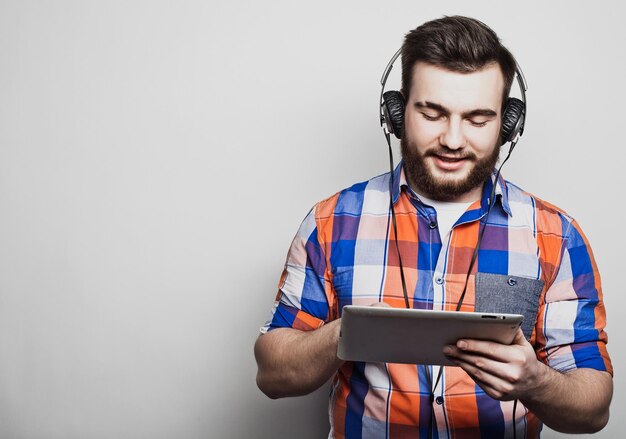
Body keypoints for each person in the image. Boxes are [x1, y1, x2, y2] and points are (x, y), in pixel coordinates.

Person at [254, 15, 613, 438]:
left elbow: (594, 409)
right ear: (397, 111)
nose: (454, 140)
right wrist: (349, 333)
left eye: (478, 119)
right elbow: (272, 375)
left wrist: (537, 382)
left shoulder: (557, 236)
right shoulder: (330, 222)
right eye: (432, 113)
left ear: (509, 124)